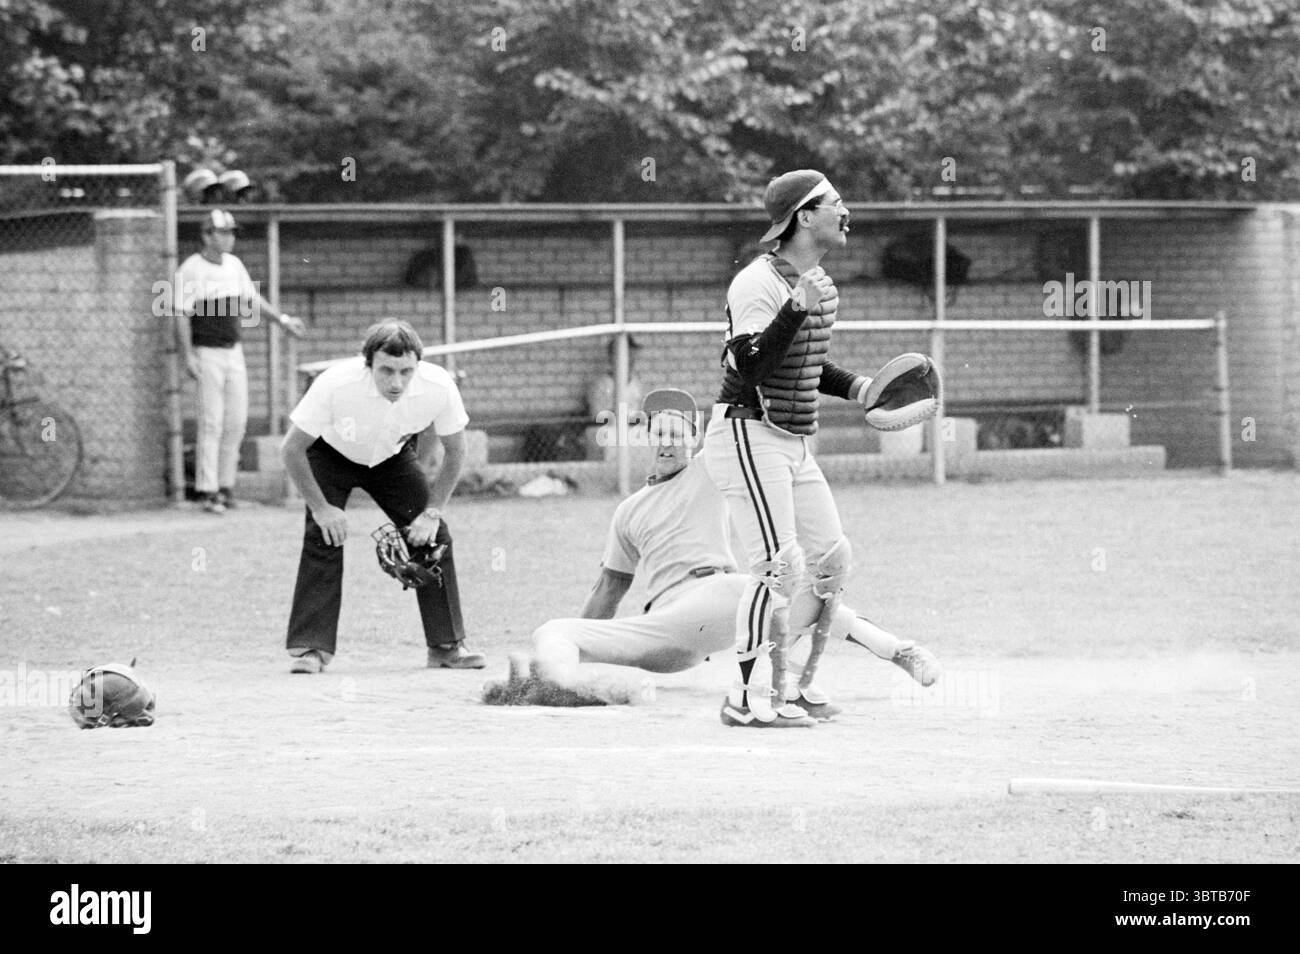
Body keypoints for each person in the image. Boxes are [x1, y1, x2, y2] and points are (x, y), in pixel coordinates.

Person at [483, 388, 939, 708]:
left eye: (679, 433)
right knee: (554, 631)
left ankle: (899, 651)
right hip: (665, 632)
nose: (669, 441)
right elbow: (608, 590)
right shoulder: (628, 510)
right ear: (645, 439)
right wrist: (586, 643)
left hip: (723, 599)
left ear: (696, 441)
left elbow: (736, 426)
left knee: (797, 590)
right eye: (659, 433)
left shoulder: (710, 467)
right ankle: (562, 686)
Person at [700, 169, 884, 727]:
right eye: (835, 203)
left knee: (832, 561)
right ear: (805, 216)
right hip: (746, 433)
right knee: (779, 568)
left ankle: (796, 686)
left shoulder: (815, 283)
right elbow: (750, 363)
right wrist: (793, 309)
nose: (845, 212)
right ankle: (747, 699)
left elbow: (803, 367)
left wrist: (861, 388)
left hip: (792, 438)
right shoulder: (757, 283)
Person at [280, 320, 485, 673]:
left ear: (417, 366)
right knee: (324, 537)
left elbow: (456, 452)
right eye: (386, 370)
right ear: (368, 364)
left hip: (391, 458)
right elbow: (291, 449)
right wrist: (321, 508)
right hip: (329, 455)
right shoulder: (334, 383)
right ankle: (311, 649)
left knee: (435, 538)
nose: (396, 382)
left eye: (406, 371)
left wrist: (431, 512)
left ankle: (446, 646)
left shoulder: (439, 386)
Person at [173, 208, 306, 513]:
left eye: (231, 232)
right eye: (223, 232)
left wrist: (282, 320)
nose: (230, 238)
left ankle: (225, 485)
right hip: (206, 350)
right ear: (207, 236)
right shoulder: (191, 268)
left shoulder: (234, 265)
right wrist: (187, 355)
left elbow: (251, 299)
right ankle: (207, 491)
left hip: (233, 350)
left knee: (236, 421)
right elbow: (180, 312)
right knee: (212, 422)